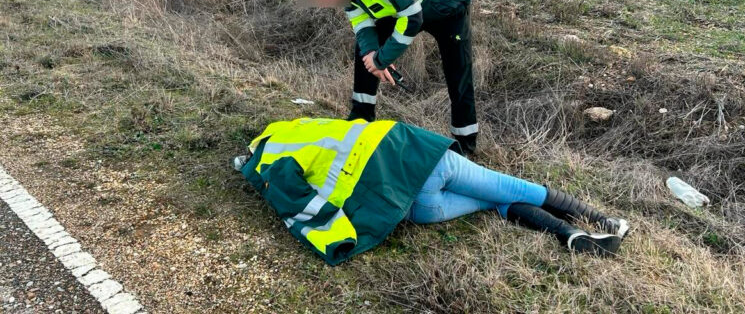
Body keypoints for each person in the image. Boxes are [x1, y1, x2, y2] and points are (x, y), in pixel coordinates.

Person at [237, 117, 629, 266]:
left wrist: (338, 236)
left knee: (494, 201)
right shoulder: (297, 129)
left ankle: (570, 235)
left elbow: (297, 205)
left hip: (411, 207)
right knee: (511, 187)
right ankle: (602, 220)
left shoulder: (268, 168)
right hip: (417, 158)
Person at [297, 0, 478, 153]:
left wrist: (382, 59)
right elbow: (360, 20)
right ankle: (360, 118)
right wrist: (372, 53)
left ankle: (465, 144)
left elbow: (412, 17)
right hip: (406, 5)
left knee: (458, 70)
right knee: (365, 50)